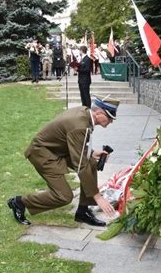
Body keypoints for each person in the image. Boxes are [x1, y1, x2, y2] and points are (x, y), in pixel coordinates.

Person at [7, 96, 120, 226]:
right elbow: (80, 165)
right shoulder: (79, 125)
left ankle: (83, 211)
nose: (111, 121)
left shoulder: (85, 114)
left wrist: (92, 153)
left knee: (91, 163)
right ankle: (19, 202)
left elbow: (77, 142)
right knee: (64, 196)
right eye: (110, 117)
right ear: (98, 113)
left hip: (58, 150)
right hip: (42, 153)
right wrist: (98, 196)